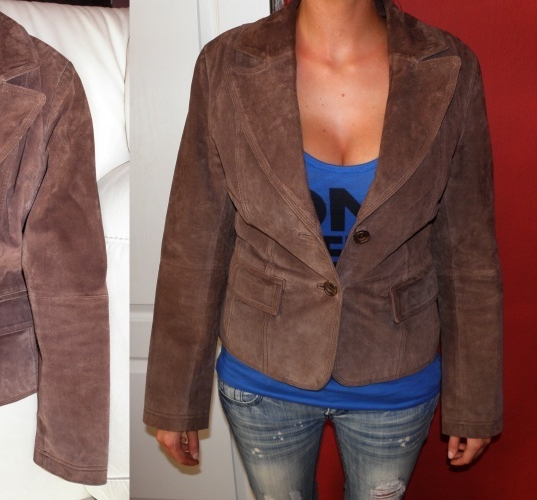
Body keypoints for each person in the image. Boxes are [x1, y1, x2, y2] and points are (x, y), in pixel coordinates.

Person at [143, 0, 502, 498]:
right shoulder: (225, 64)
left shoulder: (449, 67)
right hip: (263, 375)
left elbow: (469, 252)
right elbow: (193, 241)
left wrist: (474, 399)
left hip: (395, 370)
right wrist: (174, 395)